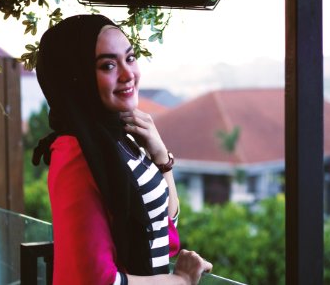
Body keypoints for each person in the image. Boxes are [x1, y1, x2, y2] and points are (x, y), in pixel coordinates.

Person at [32, 14, 212, 285]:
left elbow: (162, 221)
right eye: (108, 65)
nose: (128, 75)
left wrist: (161, 155)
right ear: (77, 78)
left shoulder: (117, 136)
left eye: (129, 58)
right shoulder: (76, 153)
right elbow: (98, 279)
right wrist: (182, 281)